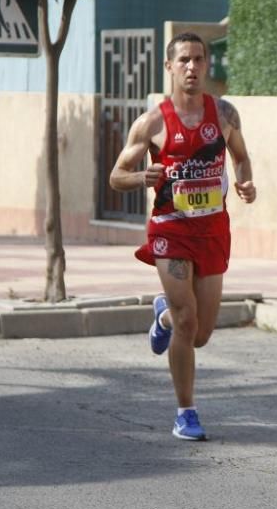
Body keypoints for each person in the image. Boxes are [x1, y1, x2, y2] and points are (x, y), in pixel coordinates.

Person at [110, 31, 256, 441]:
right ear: (169, 68)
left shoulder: (225, 114)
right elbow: (116, 176)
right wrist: (143, 175)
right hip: (171, 230)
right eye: (184, 60)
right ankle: (185, 411)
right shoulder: (152, 122)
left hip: (212, 230)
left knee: (203, 333)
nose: (192, 67)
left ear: (207, 65)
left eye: (199, 59)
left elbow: (242, 159)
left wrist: (245, 183)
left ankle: (162, 313)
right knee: (188, 322)